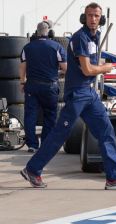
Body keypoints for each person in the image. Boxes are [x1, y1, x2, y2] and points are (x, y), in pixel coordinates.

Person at [20, 2, 116, 190]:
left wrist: (99, 67)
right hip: (77, 94)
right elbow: (88, 69)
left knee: (106, 132)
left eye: (96, 16)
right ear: (84, 18)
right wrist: (105, 68)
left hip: (89, 93)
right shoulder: (80, 37)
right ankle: (33, 169)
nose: (93, 19)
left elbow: (91, 65)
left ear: (101, 19)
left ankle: (115, 178)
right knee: (59, 134)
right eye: (90, 15)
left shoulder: (95, 36)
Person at [19, 21, 67, 153]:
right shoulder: (57, 47)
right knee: (50, 116)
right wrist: (58, 72)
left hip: (32, 86)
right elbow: (65, 68)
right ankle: (46, 144)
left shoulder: (27, 48)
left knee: (30, 116)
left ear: (36, 33)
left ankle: (32, 145)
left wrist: (22, 82)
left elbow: (22, 67)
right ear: (50, 33)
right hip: (50, 87)